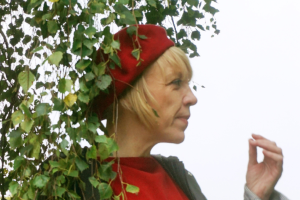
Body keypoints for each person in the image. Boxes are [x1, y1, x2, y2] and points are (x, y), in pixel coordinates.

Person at [83, 24, 288, 200]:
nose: (192, 98)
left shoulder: (178, 178)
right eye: (176, 82)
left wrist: (256, 195)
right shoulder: (73, 183)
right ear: (130, 93)